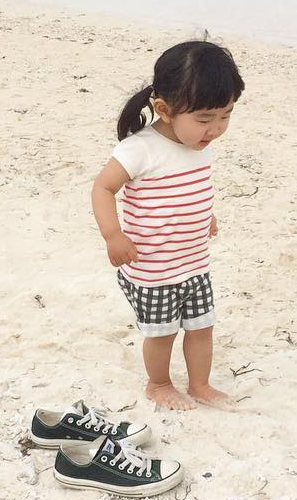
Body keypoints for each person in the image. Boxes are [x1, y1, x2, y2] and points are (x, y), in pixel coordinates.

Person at [91, 40, 245, 410]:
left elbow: (189, 186)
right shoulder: (139, 149)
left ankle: (200, 384)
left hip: (194, 263)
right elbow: (102, 187)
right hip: (154, 268)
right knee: (162, 334)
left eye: (225, 115)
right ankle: (158, 383)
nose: (216, 129)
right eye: (205, 119)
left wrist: (203, 214)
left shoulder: (197, 142)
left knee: (201, 327)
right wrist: (113, 234)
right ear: (164, 109)